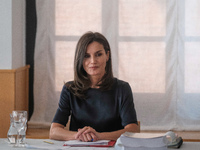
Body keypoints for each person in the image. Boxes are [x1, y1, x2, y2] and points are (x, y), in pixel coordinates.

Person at [49, 31, 138, 142]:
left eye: (98, 54)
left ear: (107, 56)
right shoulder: (69, 89)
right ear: (80, 60)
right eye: (86, 56)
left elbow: (133, 129)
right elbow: (54, 131)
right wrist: (78, 136)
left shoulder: (122, 88)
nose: (93, 61)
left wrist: (99, 136)